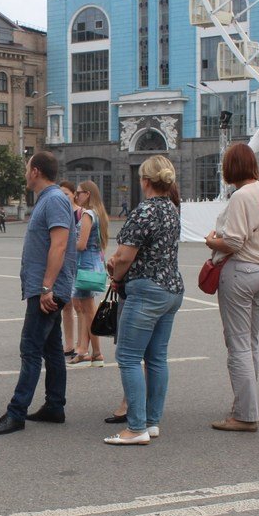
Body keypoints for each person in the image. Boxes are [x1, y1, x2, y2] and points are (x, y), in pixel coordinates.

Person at [0, 152, 76, 436]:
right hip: (45, 288)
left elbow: (59, 245)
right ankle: (55, 406)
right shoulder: (48, 199)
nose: (25, 174)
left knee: (30, 349)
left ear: (36, 171)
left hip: (47, 290)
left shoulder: (54, 199)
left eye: (27, 168)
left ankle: (16, 413)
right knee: (52, 349)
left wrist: (47, 286)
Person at [104, 155, 184, 445]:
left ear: (145, 181)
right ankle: (151, 421)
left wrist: (115, 274)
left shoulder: (144, 211)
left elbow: (125, 256)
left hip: (147, 289)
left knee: (128, 357)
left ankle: (136, 427)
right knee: (157, 358)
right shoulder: (172, 209)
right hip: (171, 288)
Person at [203, 144, 259, 434]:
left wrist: (211, 242)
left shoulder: (240, 196)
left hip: (241, 271)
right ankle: (247, 405)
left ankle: (245, 414)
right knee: (250, 342)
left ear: (230, 167)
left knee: (237, 344)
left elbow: (233, 242)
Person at [70, 180, 109, 366]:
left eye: (78, 193)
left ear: (88, 194)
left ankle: (97, 352)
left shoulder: (87, 214)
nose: (76, 196)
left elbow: (81, 244)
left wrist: (66, 243)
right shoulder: (99, 213)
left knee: (88, 310)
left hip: (85, 265)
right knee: (87, 308)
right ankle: (87, 350)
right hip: (94, 264)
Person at [59, 181, 81, 358]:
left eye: (66, 194)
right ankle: (68, 344)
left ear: (74, 194)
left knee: (78, 305)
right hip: (63, 261)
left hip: (78, 263)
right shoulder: (59, 212)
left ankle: (80, 344)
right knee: (66, 304)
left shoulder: (81, 213)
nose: (63, 197)